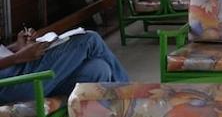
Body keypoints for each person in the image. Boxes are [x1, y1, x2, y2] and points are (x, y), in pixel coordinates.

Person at [0, 29, 129, 103]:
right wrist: (18, 57)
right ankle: (130, 99)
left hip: (23, 72)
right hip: (12, 83)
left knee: (99, 68)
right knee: (90, 39)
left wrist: (18, 47)